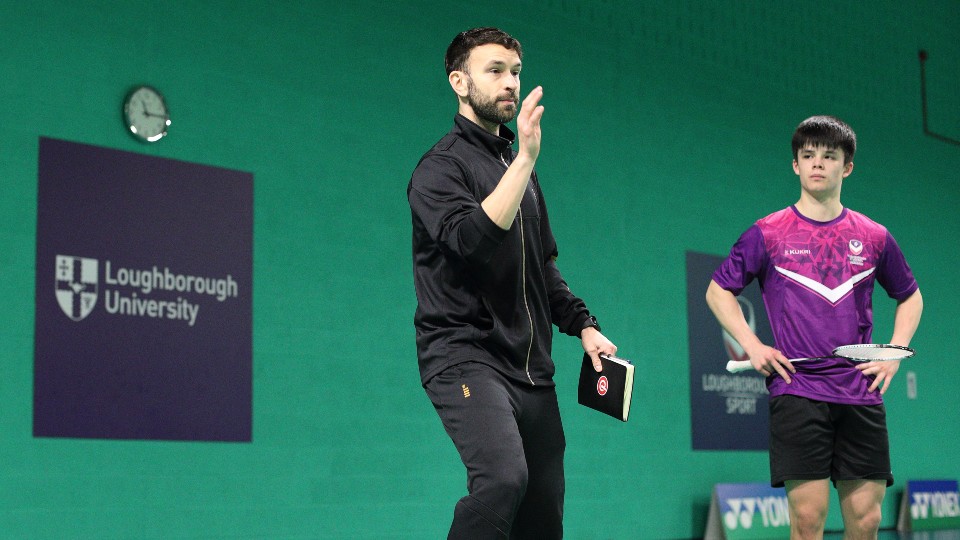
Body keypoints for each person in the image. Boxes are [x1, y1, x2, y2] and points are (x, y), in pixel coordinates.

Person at [407, 27, 617, 538]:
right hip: (464, 354)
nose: (510, 83)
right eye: (494, 71)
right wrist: (524, 159)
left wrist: (584, 326)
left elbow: (541, 266)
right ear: (459, 81)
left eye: (515, 72)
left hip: (532, 368)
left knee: (543, 514)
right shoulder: (440, 169)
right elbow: (471, 243)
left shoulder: (521, 172)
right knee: (502, 480)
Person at [706, 115, 923, 539]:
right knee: (808, 521)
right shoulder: (767, 233)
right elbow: (718, 291)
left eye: (829, 156)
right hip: (798, 390)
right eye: (808, 156)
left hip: (859, 391)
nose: (817, 164)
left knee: (867, 519)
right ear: (796, 166)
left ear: (847, 167)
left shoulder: (875, 236)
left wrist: (894, 354)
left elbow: (910, 296)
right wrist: (752, 345)